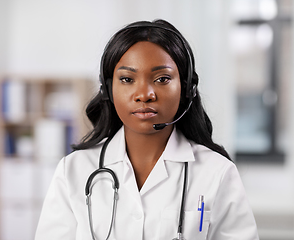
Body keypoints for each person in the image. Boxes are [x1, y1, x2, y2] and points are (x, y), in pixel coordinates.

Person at [35, 19, 259, 240]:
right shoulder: (73, 170)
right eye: (127, 79)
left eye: (162, 79)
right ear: (108, 90)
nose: (144, 94)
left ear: (186, 88)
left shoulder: (217, 173)